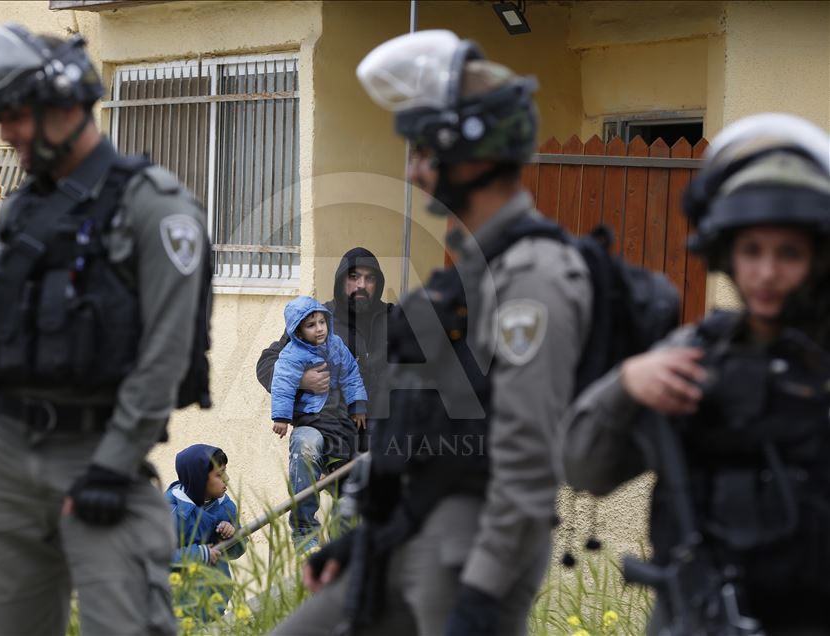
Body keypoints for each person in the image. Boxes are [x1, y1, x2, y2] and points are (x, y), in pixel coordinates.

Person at [272, 29, 593, 636]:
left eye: (426, 151)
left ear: (473, 155)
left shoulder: (534, 277)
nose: (414, 170)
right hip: (407, 531)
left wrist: (481, 595)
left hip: (467, 552)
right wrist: (364, 542)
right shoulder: (468, 274)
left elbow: (525, 463)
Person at [0, 24, 209, 636]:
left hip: (98, 455)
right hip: (5, 459)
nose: (6, 132)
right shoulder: (22, 209)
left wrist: (112, 463)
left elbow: (165, 353)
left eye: (17, 115)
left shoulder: (154, 206)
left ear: (68, 107)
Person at [559, 113, 830, 635]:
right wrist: (626, 385)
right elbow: (584, 469)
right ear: (726, 255)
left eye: (789, 254)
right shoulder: (690, 358)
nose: (767, 273)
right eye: (752, 251)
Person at [257, 247, 393, 437]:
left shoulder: (395, 319)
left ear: (377, 284)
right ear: (341, 281)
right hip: (328, 431)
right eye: (354, 277)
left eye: (370, 278)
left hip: (383, 432)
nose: (362, 284)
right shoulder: (318, 320)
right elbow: (267, 362)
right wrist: (301, 380)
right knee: (306, 445)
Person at [270, 296, 368, 551]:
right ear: (298, 330)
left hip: (338, 415)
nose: (319, 328)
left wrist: (358, 405)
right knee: (311, 442)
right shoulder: (292, 353)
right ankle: (304, 531)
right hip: (310, 414)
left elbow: (351, 375)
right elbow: (282, 384)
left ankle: (344, 539)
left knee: (348, 452)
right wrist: (280, 417)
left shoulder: (336, 345)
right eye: (311, 325)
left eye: (322, 322)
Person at [165, 444, 246, 622]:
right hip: (180, 612)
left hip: (216, 606)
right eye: (218, 475)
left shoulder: (225, 506)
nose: (227, 479)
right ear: (199, 479)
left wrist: (232, 536)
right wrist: (199, 554)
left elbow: (238, 551)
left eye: (225, 471)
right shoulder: (171, 513)